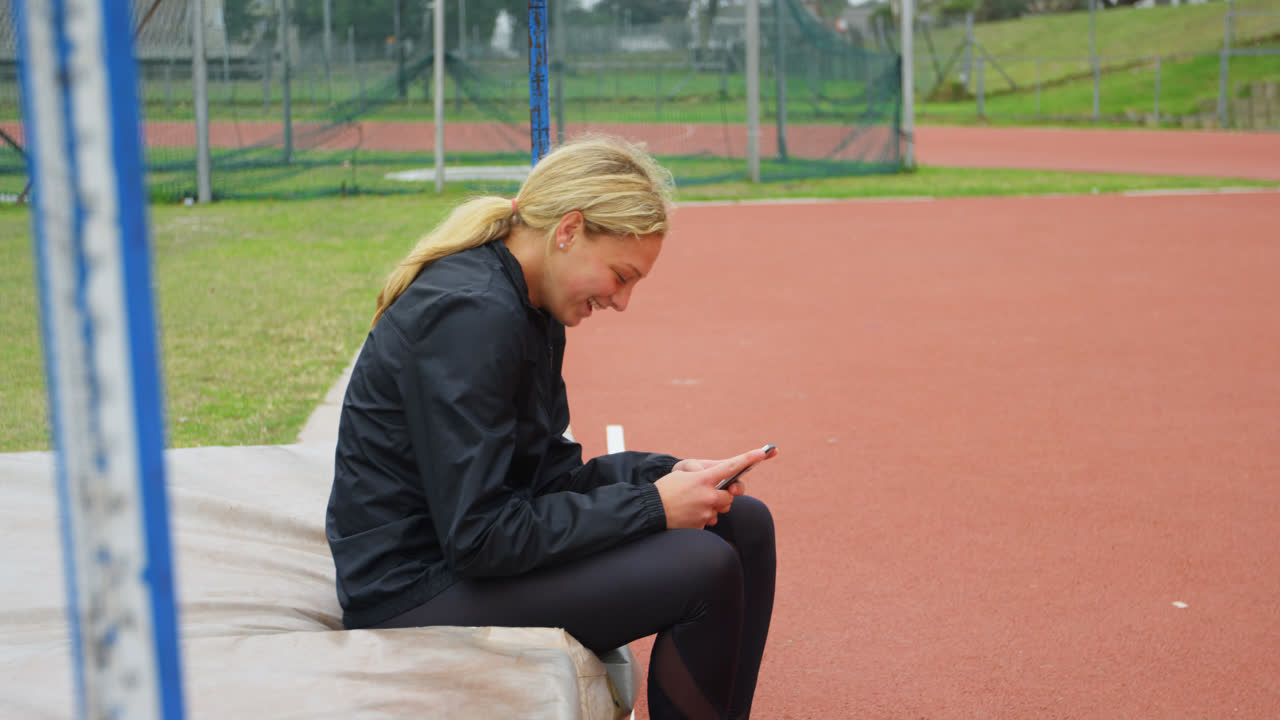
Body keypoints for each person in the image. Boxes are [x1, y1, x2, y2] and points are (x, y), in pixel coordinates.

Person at [325, 136, 777, 720]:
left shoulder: (530, 306)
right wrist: (651, 508)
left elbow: (548, 474)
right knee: (703, 570)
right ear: (568, 231)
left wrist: (667, 475)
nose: (623, 302)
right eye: (620, 274)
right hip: (410, 588)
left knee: (743, 523)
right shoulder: (473, 315)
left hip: (459, 557)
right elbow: (481, 537)